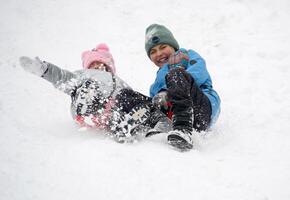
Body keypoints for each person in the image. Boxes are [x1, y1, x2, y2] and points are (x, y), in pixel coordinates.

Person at [19, 43, 169, 143]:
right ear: (87, 67)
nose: (98, 67)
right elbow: (62, 77)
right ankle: (88, 103)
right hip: (87, 107)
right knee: (90, 87)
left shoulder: (118, 81)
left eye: (102, 64)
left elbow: (131, 97)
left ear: (110, 67)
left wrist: (141, 102)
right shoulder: (83, 75)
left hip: (112, 114)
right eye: (93, 64)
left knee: (132, 97)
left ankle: (128, 125)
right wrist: (44, 70)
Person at [145, 24, 221, 150]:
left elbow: (199, 73)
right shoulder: (158, 80)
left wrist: (167, 90)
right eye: (153, 52)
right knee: (148, 101)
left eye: (163, 47)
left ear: (173, 46)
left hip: (201, 108)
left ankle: (184, 129)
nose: (159, 53)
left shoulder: (186, 56)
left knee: (176, 75)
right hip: (174, 114)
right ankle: (160, 125)